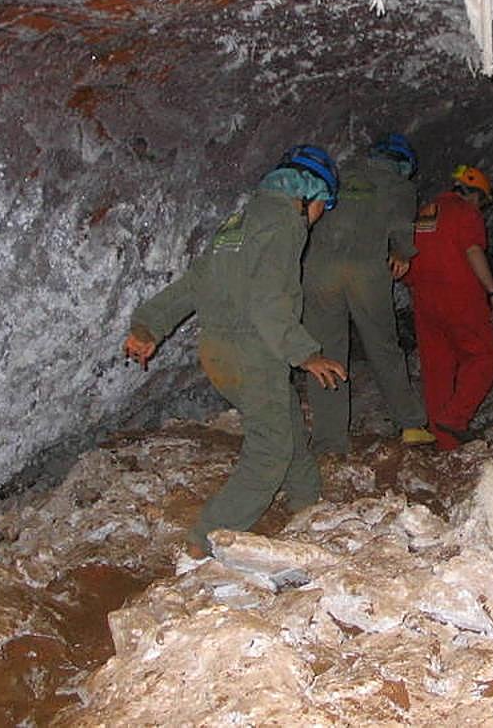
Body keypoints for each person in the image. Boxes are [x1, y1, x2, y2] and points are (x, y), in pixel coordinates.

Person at [122, 144, 348, 557]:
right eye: (324, 206)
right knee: (270, 450)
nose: (320, 216)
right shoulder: (285, 223)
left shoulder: (236, 224)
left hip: (218, 351)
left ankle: (307, 502)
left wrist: (148, 326)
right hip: (253, 351)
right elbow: (268, 300)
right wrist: (305, 353)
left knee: (284, 421)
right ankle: (205, 539)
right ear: (310, 196)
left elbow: (194, 284)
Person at [302, 133, 431, 453]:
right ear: (403, 164)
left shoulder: (343, 173)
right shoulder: (400, 186)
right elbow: (401, 224)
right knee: (383, 346)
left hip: (320, 269)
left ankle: (329, 440)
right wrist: (402, 252)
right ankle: (411, 425)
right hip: (366, 270)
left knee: (325, 351)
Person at [403, 164, 493, 451]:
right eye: (481, 202)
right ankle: (455, 418)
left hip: (424, 298)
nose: (480, 208)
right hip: (460, 296)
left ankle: (445, 442)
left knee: (438, 368)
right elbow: (473, 250)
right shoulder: (466, 212)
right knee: (485, 356)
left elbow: (408, 260)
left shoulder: (424, 212)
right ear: (475, 195)